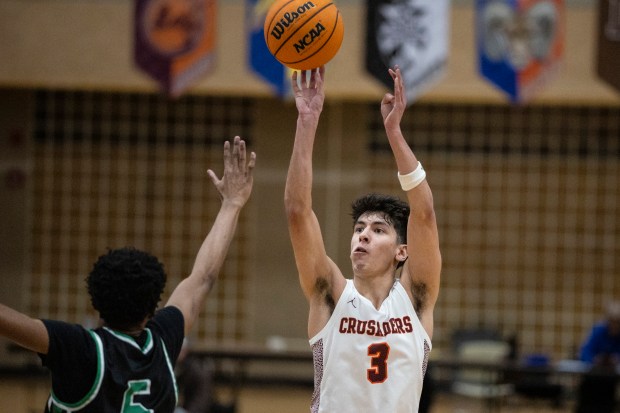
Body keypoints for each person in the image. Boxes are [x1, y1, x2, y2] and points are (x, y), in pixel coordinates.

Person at [0, 136, 255, 413]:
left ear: (95, 299)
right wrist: (232, 204)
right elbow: (203, 276)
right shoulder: (163, 341)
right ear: (153, 306)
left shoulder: (80, 349)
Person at [284, 66, 441, 412]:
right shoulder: (331, 293)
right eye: (359, 229)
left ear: (403, 251)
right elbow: (297, 211)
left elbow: (425, 214)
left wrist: (394, 133)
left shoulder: (416, 298)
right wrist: (307, 121)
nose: (363, 236)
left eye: (378, 230)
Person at [574, 301, 620, 413]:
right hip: (593, 378)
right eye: (612, 321)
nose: (615, 325)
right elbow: (585, 351)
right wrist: (594, 360)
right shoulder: (598, 330)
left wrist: (615, 359)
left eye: (617, 322)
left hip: (609, 381)